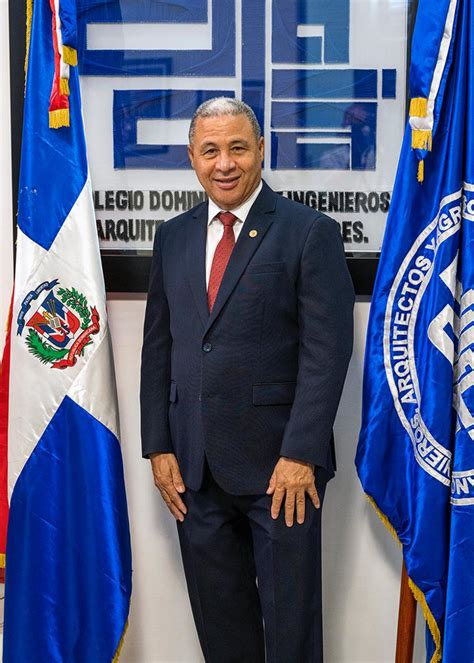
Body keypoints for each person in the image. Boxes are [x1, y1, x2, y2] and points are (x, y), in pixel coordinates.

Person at [140, 97, 354, 663]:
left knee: (291, 634)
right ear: (192, 158)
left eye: (238, 147)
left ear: (262, 150)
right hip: (193, 471)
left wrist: (302, 453)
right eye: (210, 151)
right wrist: (158, 446)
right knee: (221, 632)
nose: (225, 163)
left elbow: (327, 353)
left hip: (282, 472)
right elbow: (159, 347)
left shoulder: (309, 232)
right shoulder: (174, 237)